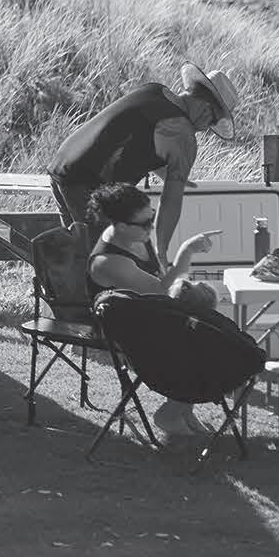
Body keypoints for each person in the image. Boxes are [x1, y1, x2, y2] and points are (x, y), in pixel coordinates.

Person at [47, 62, 242, 262]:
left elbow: (136, 138)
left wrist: (171, 175)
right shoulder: (183, 135)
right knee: (110, 261)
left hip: (62, 163)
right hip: (88, 184)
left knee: (77, 257)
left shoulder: (155, 91)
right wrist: (162, 250)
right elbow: (171, 201)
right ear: (206, 109)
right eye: (212, 122)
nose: (205, 128)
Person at [85, 182, 223, 437]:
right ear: (121, 225)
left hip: (147, 315)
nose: (151, 226)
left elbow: (160, 280)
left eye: (153, 217)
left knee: (206, 322)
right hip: (122, 330)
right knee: (205, 343)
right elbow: (160, 290)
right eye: (145, 223)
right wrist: (185, 255)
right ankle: (169, 415)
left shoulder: (136, 236)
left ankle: (183, 411)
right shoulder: (109, 262)